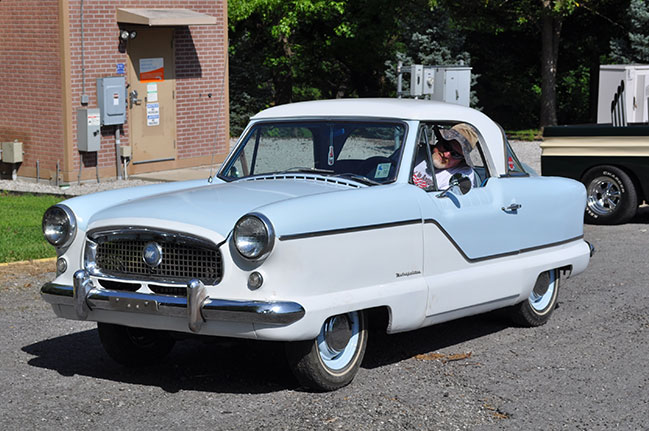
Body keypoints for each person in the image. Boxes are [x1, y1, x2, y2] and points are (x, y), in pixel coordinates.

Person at [412, 123, 479, 190]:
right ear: (439, 141)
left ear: (461, 160)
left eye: (456, 154)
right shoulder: (416, 151)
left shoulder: (463, 175)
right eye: (446, 146)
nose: (446, 155)